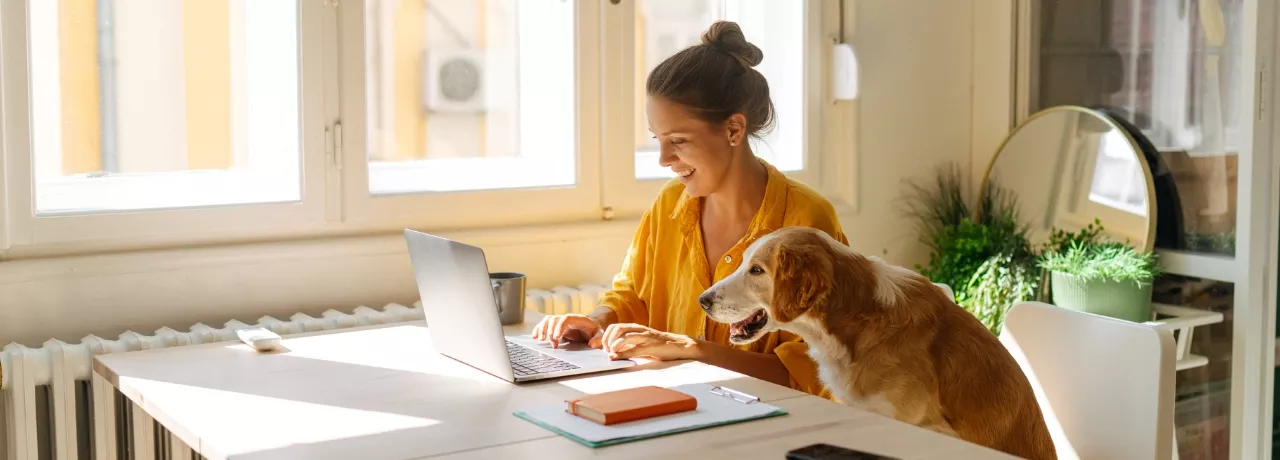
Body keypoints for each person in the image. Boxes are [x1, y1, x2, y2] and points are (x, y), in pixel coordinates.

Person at [530, 21, 848, 398]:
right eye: (658, 140)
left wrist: (694, 351)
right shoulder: (669, 204)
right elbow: (634, 295)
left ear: (733, 130)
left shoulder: (807, 220)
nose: (664, 158)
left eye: (678, 140)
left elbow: (815, 373)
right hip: (674, 408)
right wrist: (596, 321)